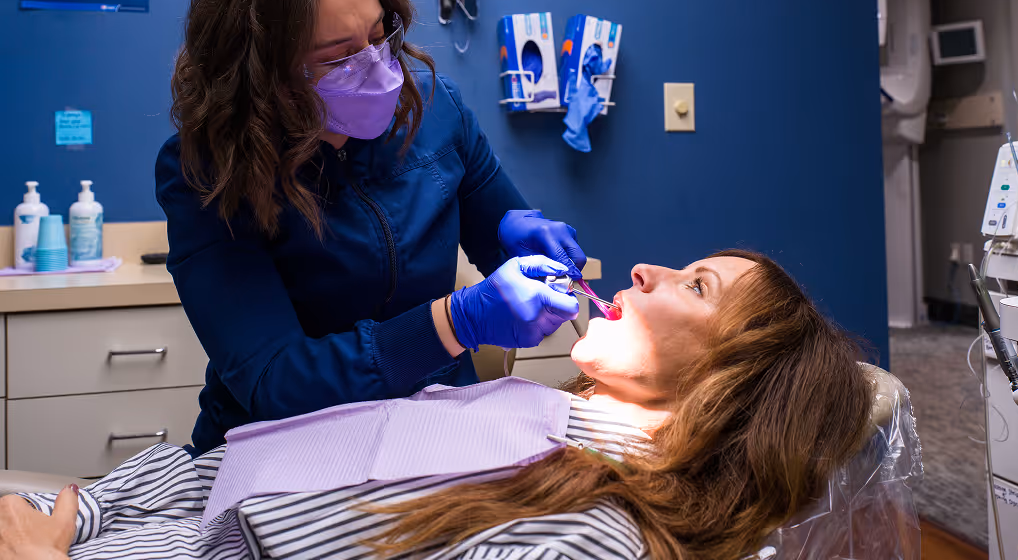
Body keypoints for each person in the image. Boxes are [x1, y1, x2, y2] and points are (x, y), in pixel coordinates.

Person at [0, 251, 888, 560]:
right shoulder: (534, 424)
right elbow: (242, 477)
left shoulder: (597, 534)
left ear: (732, 385)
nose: (647, 268)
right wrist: (75, 513)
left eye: (694, 285)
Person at [155, 0, 586, 454]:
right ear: (259, 74)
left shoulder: (433, 108)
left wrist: (518, 241)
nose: (380, 70)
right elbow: (276, 381)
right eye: (338, 57)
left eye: (380, 36)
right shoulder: (207, 171)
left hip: (435, 424)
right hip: (284, 449)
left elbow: (499, 234)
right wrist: (453, 322)